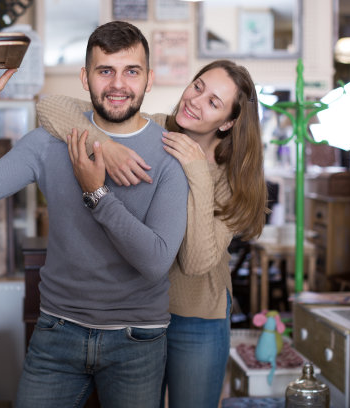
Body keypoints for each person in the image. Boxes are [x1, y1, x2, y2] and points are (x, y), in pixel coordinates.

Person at [0, 21, 189, 408]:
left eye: (132, 71)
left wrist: (96, 192)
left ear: (148, 80)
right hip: (57, 331)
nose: (118, 84)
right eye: (104, 70)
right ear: (85, 77)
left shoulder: (169, 157)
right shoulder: (49, 143)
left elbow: (156, 262)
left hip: (137, 339)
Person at [36, 59, 267, 408]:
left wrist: (197, 170)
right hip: (136, 314)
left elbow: (195, 262)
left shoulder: (232, 179)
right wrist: (108, 146)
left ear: (229, 122)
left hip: (196, 318)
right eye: (198, 86)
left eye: (214, 102)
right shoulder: (152, 129)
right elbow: (50, 107)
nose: (195, 99)